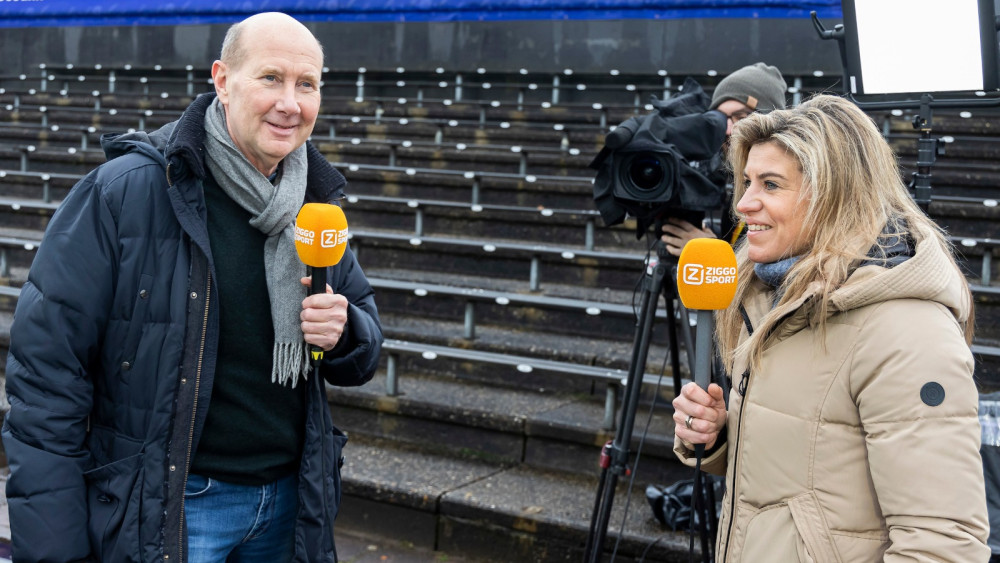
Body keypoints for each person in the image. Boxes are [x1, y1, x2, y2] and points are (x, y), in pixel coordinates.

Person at [2, 12, 383, 562]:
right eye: (271, 78)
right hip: (175, 504)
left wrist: (347, 331)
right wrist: (55, 549)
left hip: (289, 506)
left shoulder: (314, 203)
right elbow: (46, 376)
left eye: (307, 85)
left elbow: (361, 346)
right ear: (222, 80)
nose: (291, 103)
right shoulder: (126, 192)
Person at [671, 94, 989, 560]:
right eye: (745, 182)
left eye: (771, 185)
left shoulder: (907, 331)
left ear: (834, 194)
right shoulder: (768, 296)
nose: (744, 203)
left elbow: (943, 544)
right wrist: (720, 435)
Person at [660, 62, 788, 257]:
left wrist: (711, 252)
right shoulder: (738, 182)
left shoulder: (789, 183)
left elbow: (775, 275)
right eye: (720, 119)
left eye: (741, 117)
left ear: (768, 119)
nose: (728, 129)